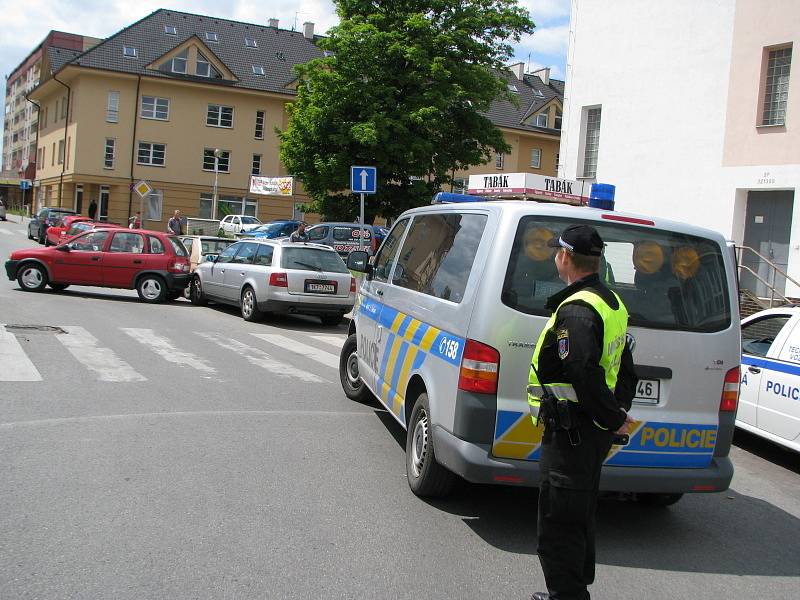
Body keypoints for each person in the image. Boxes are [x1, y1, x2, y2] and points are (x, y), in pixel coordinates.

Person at [528, 224, 637, 600]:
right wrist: (617, 412)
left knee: (559, 523)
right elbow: (625, 367)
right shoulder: (611, 303)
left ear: (564, 257)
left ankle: (567, 596)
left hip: (572, 434)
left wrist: (610, 416)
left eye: (557, 252)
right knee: (578, 516)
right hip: (589, 434)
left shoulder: (577, 310)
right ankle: (571, 591)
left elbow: (582, 371)